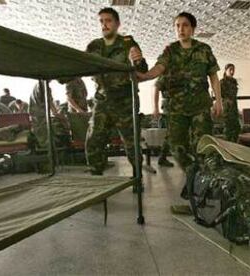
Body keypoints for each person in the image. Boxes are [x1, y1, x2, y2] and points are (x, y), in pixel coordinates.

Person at [137, 12, 222, 176]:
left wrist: (219, 101)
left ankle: (203, 181)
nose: (180, 29)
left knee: (204, 145)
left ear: (193, 29)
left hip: (200, 106)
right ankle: (194, 174)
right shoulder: (170, 51)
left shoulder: (204, 49)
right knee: (176, 146)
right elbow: (160, 67)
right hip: (177, 108)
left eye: (185, 25)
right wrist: (145, 76)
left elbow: (213, 76)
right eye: (177, 26)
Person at [85, 7, 148, 175]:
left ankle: (137, 175)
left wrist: (138, 60)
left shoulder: (127, 43)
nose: (104, 25)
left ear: (117, 23)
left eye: (108, 21)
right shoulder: (93, 46)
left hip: (125, 101)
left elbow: (141, 68)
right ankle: (96, 176)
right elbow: (82, 66)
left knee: (130, 142)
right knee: (93, 140)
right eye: (101, 21)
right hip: (102, 100)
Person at [153, 76, 174, 167]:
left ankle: (162, 157)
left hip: (181, 106)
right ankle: (162, 157)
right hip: (171, 106)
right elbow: (156, 88)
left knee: (171, 133)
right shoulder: (166, 74)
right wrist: (156, 108)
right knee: (171, 133)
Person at [220, 64, 240, 142]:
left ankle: (235, 145)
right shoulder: (222, 82)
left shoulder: (234, 81)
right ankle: (227, 147)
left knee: (237, 128)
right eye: (230, 69)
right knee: (228, 129)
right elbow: (220, 94)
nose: (232, 72)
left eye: (233, 70)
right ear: (226, 70)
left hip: (234, 107)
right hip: (227, 108)